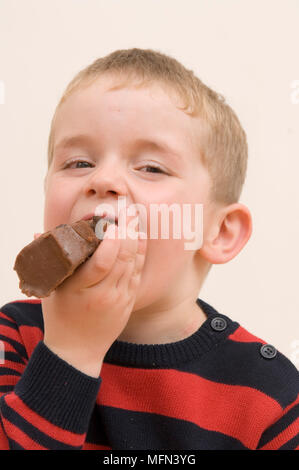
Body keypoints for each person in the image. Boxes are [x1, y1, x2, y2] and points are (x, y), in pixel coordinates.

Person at [0, 48, 298, 451]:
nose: (103, 180)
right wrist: (69, 352)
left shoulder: (269, 394)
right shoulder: (14, 337)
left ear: (220, 232)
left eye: (151, 168)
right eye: (78, 163)